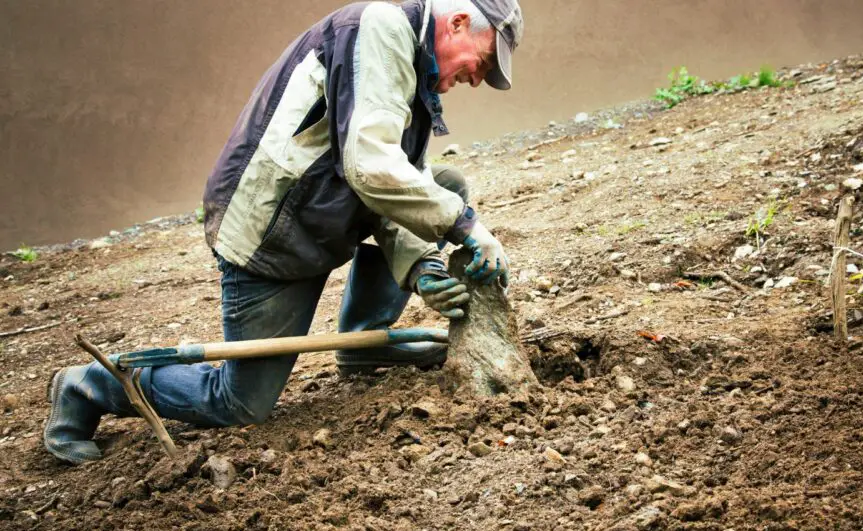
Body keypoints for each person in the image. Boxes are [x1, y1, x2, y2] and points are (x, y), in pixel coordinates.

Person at [43, 0, 524, 465]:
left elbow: (397, 181)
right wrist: (467, 226)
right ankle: (88, 385)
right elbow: (372, 167)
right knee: (238, 403)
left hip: (322, 212)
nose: (476, 79)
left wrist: (422, 267)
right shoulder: (381, 28)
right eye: (481, 63)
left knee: (443, 185)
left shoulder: (415, 70)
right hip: (273, 233)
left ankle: (366, 344)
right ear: (458, 23)